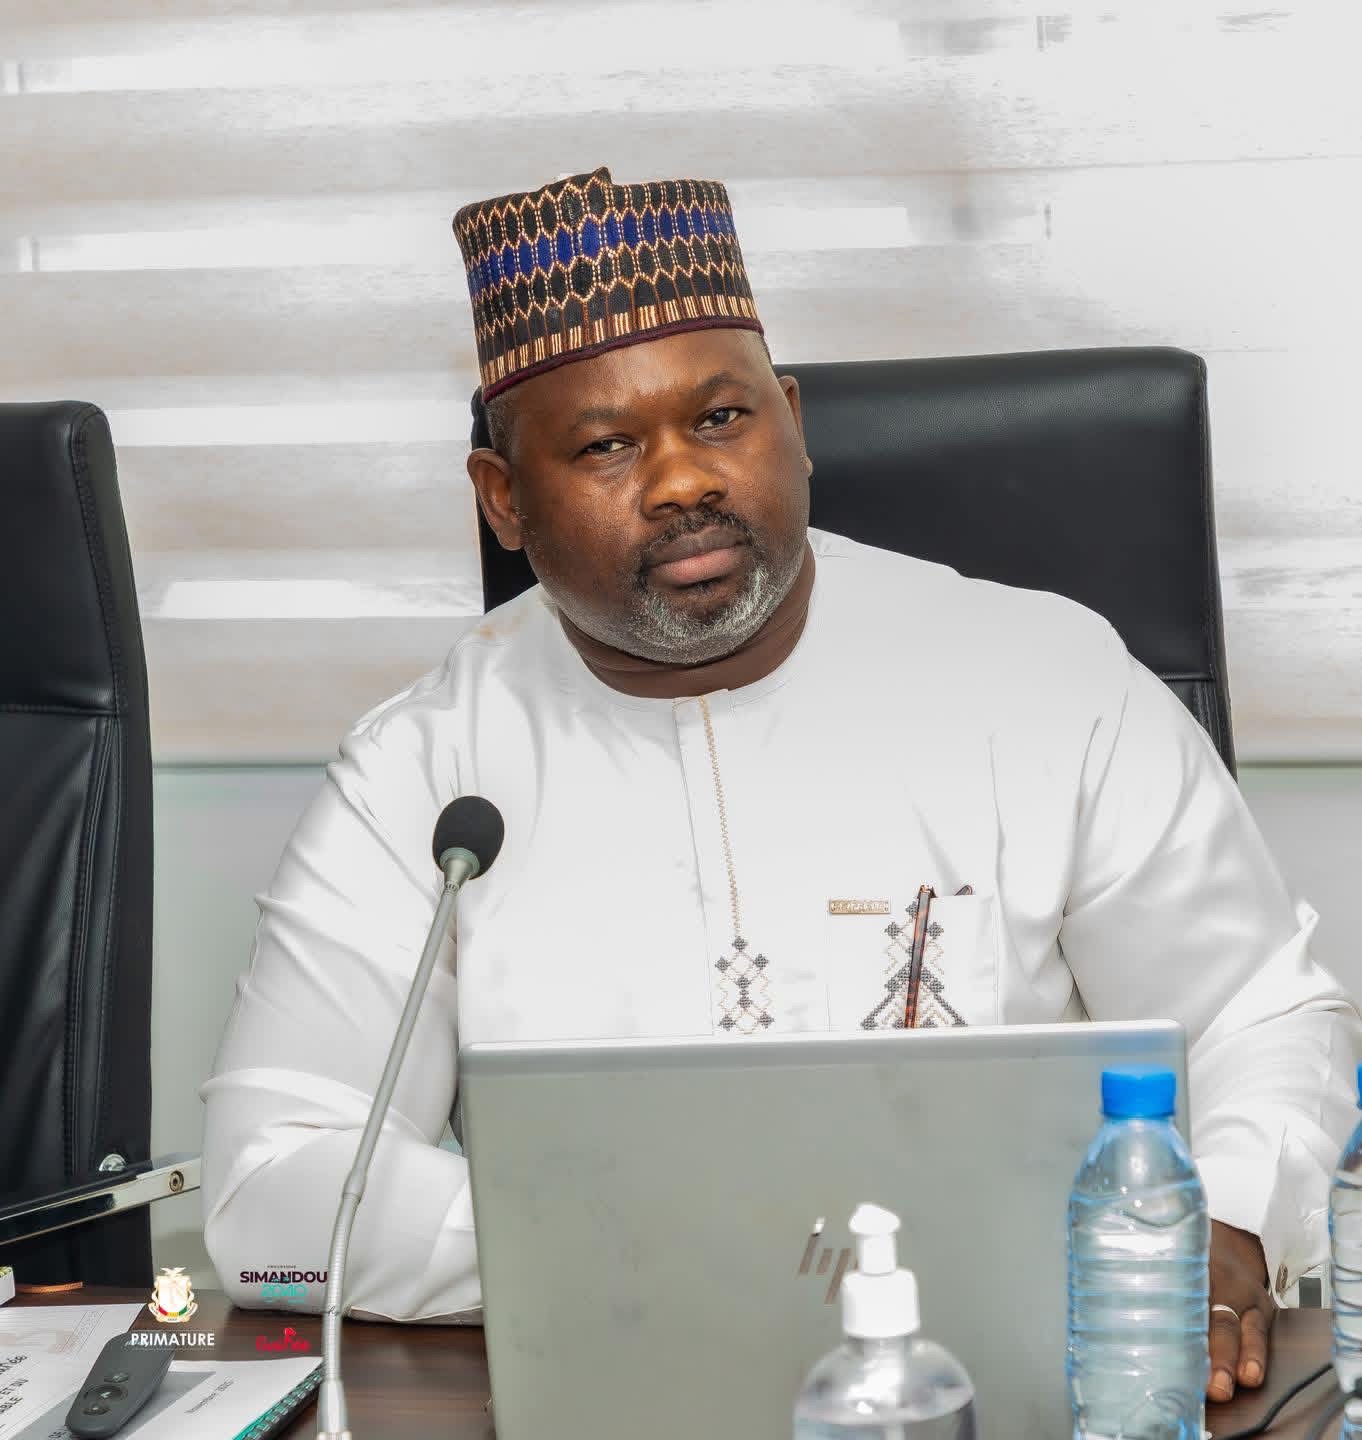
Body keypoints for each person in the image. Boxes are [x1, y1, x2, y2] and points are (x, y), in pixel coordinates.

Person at [201, 166, 1361, 1404]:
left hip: (1014, 1386)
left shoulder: (1045, 679)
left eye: (720, 419)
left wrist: (1230, 1222)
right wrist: (642, 1252)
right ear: (503, 499)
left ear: (792, 423)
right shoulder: (426, 776)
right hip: (617, 1390)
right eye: (606, 446)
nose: (682, 482)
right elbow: (273, 1187)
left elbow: (1257, 1017)